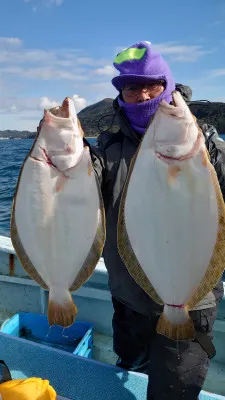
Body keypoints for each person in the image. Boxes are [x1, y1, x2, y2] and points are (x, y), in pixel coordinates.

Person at [87, 41, 225, 399]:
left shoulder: (206, 145)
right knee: (132, 365)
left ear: (169, 86)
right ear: (122, 95)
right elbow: (77, 190)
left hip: (192, 299)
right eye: (132, 87)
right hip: (129, 296)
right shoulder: (109, 148)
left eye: (153, 85)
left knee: (174, 391)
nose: (143, 94)